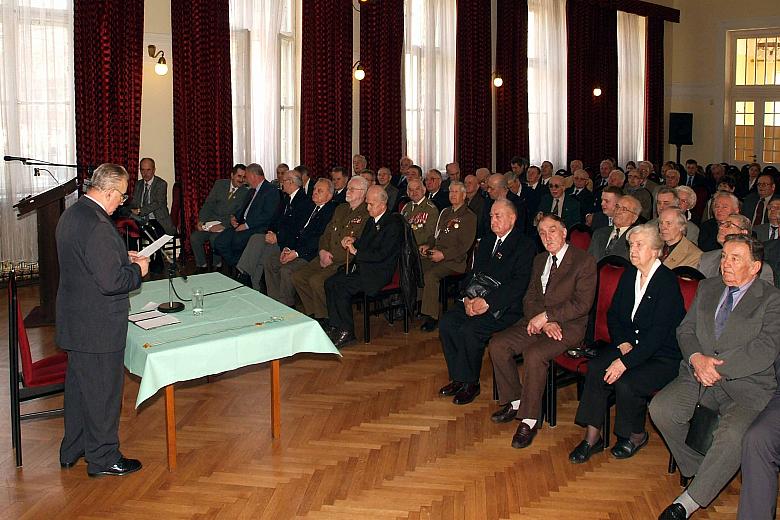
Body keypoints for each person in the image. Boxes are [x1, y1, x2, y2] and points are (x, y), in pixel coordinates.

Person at [651, 235, 780, 520]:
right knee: (661, 409)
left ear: (755, 266)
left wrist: (717, 368)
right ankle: (704, 471)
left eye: (735, 258)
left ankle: (688, 502)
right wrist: (697, 359)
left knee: (733, 436)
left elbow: (765, 349)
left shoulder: (771, 298)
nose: (726, 264)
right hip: (698, 374)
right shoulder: (708, 287)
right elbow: (685, 330)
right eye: (724, 256)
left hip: (746, 384)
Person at [56, 163, 149, 477]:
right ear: (109, 192)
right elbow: (112, 283)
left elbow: (87, 263)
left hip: (76, 320)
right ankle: (103, 458)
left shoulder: (73, 213)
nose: (121, 203)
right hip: (97, 326)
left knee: (80, 391)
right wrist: (137, 270)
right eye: (121, 196)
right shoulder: (98, 224)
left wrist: (122, 258)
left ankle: (73, 448)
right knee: (104, 395)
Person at [569, 224, 685, 463]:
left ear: (655, 250)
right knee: (596, 368)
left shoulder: (667, 282)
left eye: (639, 245)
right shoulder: (630, 274)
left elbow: (658, 335)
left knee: (627, 381)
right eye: (631, 244)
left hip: (662, 354)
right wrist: (622, 343)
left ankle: (635, 435)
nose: (633, 250)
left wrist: (624, 362)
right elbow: (614, 314)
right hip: (629, 344)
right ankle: (592, 437)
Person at [488, 214, 597, 449]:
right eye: (542, 233)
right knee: (498, 345)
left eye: (552, 231)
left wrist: (548, 316)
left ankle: (529, 420)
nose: (547, 237)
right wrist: (543, 321)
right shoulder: (539, 260)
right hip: (538, 322)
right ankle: (516, 401)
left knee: (534, 355)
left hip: (569, 327)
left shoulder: (584, 261)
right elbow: (529, 298)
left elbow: (582, 304)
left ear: (564, 232)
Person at [437, 200, 537, 405]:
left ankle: (470, 383)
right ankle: (458, 378)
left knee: (470, 329)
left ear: (512, 218)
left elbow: (518, 285)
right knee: (447, 323)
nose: (493, 220)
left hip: (505, 307)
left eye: (498, 216)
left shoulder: (525, 245)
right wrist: (466, 298)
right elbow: (473, 274)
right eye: (491, 216)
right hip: (476, 298)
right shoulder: (487, 241)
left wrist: (487, 303)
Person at [324, 186, 403, 348]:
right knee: (330, 283)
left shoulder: (393, 224)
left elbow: (382, 255)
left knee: (342, 287)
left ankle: (347, 332)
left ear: (382, 205)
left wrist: (356, 251)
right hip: (364, 267)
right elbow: (365, 243)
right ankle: (335, 325)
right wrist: (353, 241)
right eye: (367, 203)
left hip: (378, 272)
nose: (367, 208)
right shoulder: (371, 221)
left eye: (371, 204)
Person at [292, 176, 370, 324]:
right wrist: (322, 251)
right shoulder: (341, 209)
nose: (348, 191)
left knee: (316, 281)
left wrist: (334, 255)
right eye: (348, 188)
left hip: (344, 260)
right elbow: (326, 234)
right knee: (298, 276)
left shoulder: (366, 213)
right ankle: (314, 312)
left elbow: (361, 241)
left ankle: (327, 318)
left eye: (352, 189)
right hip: (326, 254)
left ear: (362, 193)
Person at [236, 169, 313, 290]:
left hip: (288, 241)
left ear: (291, 182)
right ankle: (244, 274)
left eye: (284, 181)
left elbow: (296, 229)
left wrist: (277, 237)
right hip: (277, 236)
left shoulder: (304, 202)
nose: (281, 183)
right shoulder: (286, 198)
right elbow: (274, 218)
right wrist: (271, 231)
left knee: (264, 253)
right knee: (256, 239)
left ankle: (250, 282)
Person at [264, 178, 336, 307]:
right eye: (314, 189)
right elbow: (293, 230)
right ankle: (274, 301)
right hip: (294, 248)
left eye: (320, 191)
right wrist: (287, 248)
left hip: (310, 254)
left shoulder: (331, 212)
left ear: (329, 195)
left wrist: (296, 253)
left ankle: (286, 305)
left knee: (286, 270)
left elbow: (318, 239)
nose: (315, 192)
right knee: (270, 261)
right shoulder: (308, 207)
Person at [418, 181, 477, 332]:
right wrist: (428, 245)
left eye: (456, 192)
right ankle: (419, 304)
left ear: (464, 195)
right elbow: (436, 235)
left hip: (454, 261)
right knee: (417, 266)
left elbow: (464, 246)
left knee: (431, 275)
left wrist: (443, 254)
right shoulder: (445, 212)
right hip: (436, 254)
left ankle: (431, 316)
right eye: (451, 191)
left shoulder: (469, 216)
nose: (452, 195)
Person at [213, 163, 279, 267]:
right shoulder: (251, 190)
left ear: (253, 176)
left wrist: (247, 225)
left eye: (246, 177)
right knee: (219, 242)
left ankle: (240, 268)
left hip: (257, 228)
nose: (245, 180)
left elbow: (267, 215)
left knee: (236, 241)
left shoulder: (271, 190)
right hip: (242, 224)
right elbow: (243, 209)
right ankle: (238, 265)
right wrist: (234, 217)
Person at [190, 164, 249, 272]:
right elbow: (208, 204)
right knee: (195, 238)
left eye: (244, 177)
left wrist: (222, 225)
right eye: (239, 176)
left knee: (215, 239)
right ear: (232, 175)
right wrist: (201, 220)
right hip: (211, 222)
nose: (241, 180)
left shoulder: (246, 192)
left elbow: (239, 215)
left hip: (228, 225)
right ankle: (202, 266)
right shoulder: (220, 184)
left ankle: (217, 265)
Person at [697, 213, 775, 284]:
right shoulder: (706, 259)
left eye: (728, 225)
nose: (721, 227)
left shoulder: (761, 269)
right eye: (720, 224)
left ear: (743, 233)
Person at [588, 195, 641, 261]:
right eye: (617, 207)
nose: (618, 211)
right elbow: (588, 260)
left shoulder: (636, 238)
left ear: (634, 218)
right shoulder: (598, 233)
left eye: (624, 209)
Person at [401, 178, 439, 248]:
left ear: (424, 190)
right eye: (411, 190)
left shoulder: (430, 209)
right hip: (405, 246)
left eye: (417, 189)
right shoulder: (406, 207)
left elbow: (430, 235)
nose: (414, 192)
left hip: (420, 247)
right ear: (407, 193)